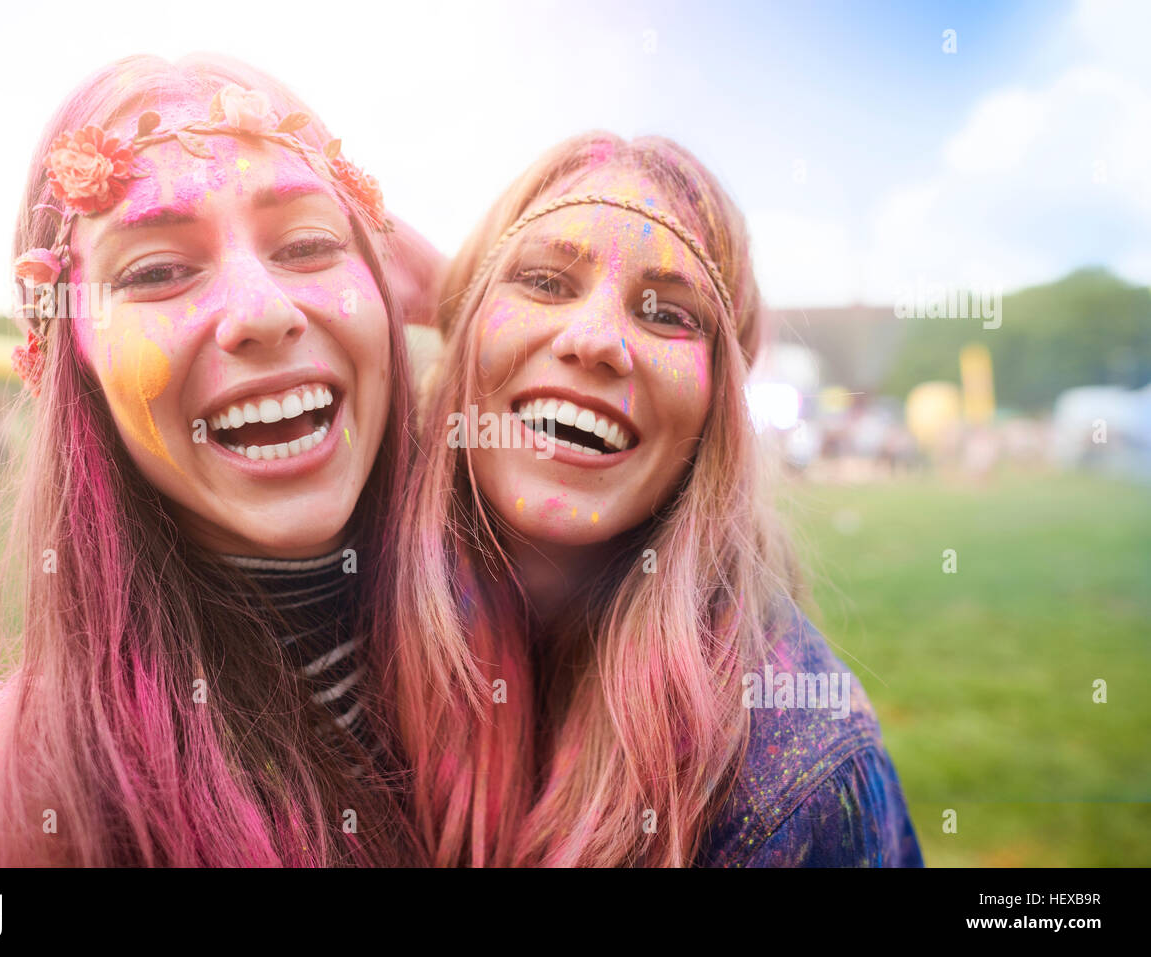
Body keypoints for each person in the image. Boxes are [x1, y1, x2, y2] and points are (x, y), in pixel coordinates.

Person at [0, 53, 434, 867]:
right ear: (72, 361)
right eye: (156, 270)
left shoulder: (527, 629)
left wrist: (475, 289)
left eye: (309, 246)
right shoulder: (17, 790)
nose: (261, 311)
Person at [381, 132, 923, 867]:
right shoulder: (338, 608)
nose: (598, 338)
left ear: (716, 410)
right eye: (543, 281)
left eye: (669, 314)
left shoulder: (800, 779)